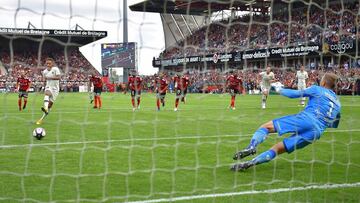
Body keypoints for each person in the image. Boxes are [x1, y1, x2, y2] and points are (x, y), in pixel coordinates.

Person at [231, 73, 341, 171]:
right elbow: (334, 123)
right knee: (278, 149)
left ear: (324, 82)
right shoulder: (338, 103)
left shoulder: (317, 89)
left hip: (306, 119)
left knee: (266, 127)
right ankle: (250, 163)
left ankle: (251, 146)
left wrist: (278, 89)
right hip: (316, 132)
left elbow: (295, 94)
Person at [36, 58, 61, 125]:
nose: (48, 64)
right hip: (48, 86)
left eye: (49, 63)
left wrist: (50, 78)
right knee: (47, 93)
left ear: (52, 64)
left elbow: (59, 77)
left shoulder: (55, 69)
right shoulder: (44, 72)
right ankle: (46, 108)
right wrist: (43, 88)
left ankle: (41, 119)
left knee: (50, 105)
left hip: (56, 89)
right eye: (47, 63)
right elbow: (44, 81)